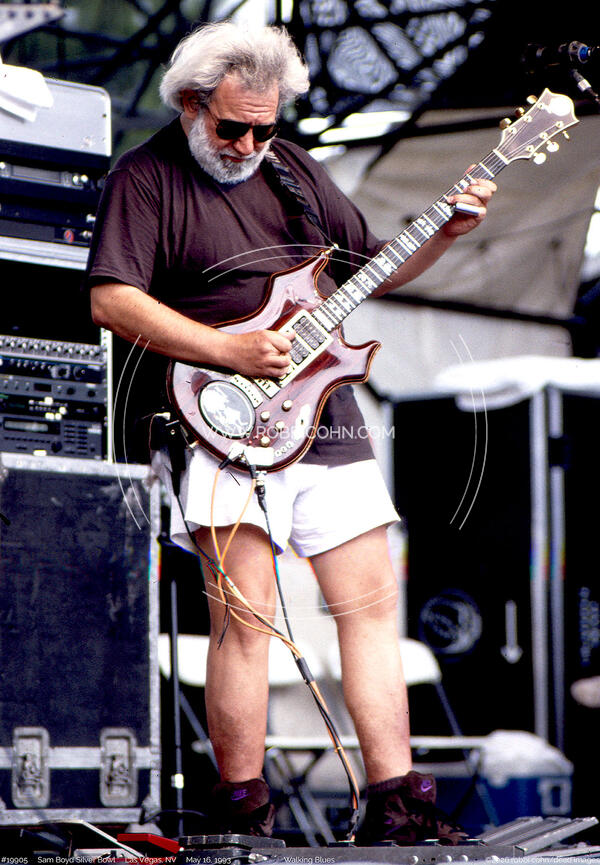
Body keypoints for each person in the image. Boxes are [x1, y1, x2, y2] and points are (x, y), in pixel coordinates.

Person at [87, 21, 496, 844]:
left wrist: (446, 233)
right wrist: (226, 349)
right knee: (247, 623)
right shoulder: (146, 176)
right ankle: (243, 812)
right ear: (190, 104)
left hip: (328, 417)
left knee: (371, 608)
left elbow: (370, 267)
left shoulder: (295, 171)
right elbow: (111, 300)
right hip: (222, 416)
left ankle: (397, 805)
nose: (247, 146)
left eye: (264, 129)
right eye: (230, 127)